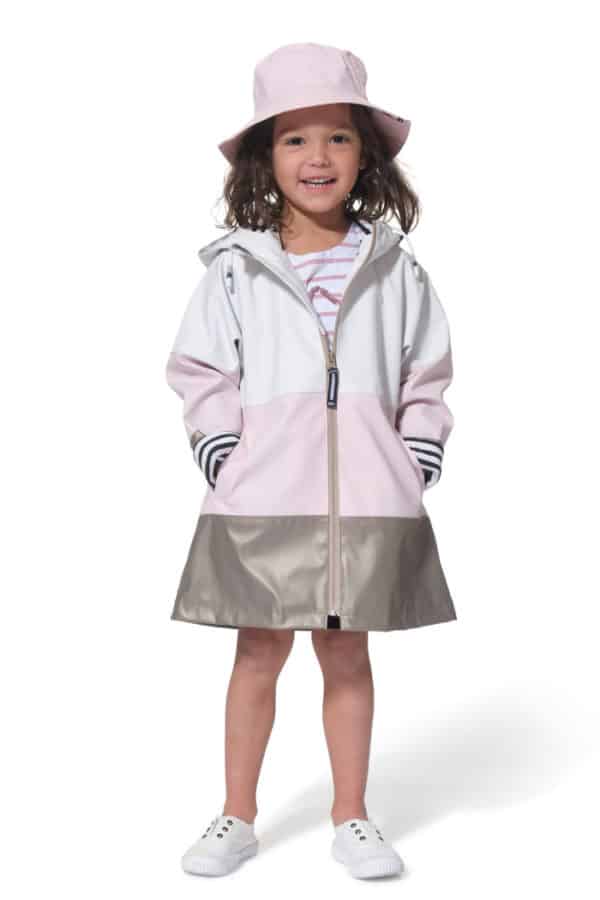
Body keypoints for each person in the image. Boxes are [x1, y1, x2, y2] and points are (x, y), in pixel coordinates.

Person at [165, 42, 457, 880]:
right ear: (267, 156)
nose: (317, 156)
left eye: (337, 136)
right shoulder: (236, 270)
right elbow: (200, 369)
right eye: (295, 138)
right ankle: (237, 814)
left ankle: (351, 816)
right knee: (257, 653)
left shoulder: (395, 271)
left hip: (364, 500)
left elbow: (427, 373)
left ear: (365, 155)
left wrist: (415, 454)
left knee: (348, 655)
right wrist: (224, 450)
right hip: (262, 496)